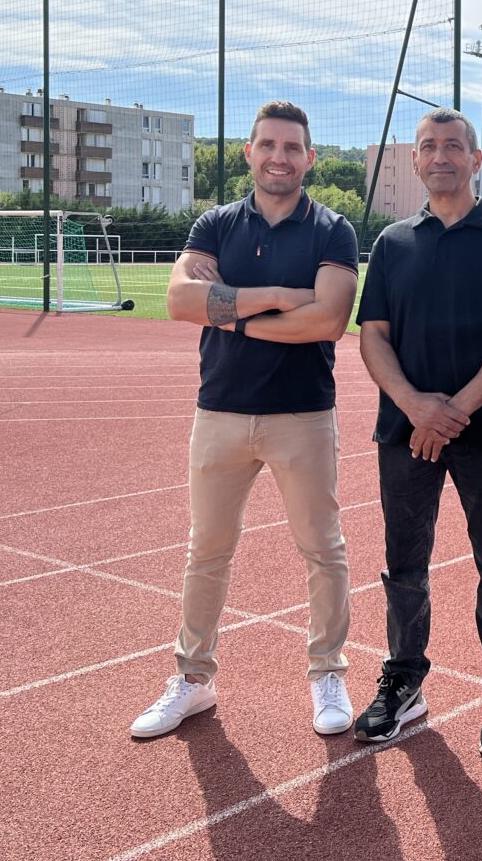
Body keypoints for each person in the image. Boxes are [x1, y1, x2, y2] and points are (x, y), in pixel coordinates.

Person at [131, 100, 359, 740]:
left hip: (302, 415)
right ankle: (194, 679)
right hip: (220, 411)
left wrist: (224, 305)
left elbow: (329, 321)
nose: (279, 157)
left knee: (323, 549)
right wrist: (280, 299)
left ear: (309, 158)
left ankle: (327, 673)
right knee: (206, 550)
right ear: (249, 152)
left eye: (292, 147)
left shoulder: (332, 230)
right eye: (268, 145)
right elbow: (178, 302)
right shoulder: (214, 224)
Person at [351, 108, 482, 754]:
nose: (440, 156)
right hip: (405, 432)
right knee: (403, 563)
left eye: (453, 146)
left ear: (477, 159)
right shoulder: (391, 244)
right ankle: (405, 678)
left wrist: (451, 412)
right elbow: (372, 337)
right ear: (414, 160)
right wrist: (415, 406)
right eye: (428, 146)